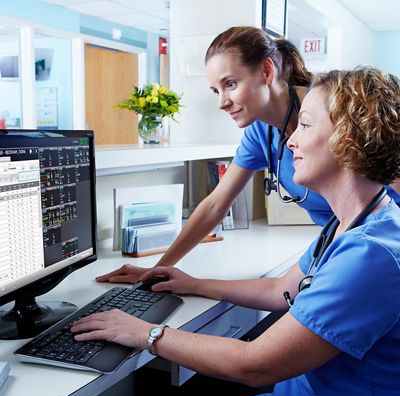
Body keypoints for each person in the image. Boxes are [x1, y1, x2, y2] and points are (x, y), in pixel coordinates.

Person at [72, 67, 400, 396]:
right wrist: (192, 283)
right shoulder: (349, 222)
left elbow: (256, 365)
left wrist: (146, 333)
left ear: (349, 138)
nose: (291, 141)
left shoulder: (370, 255)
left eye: (305, 124)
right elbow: (279, 290)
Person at [96, 26, 400, 285]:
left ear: (266, 71)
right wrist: (159, 268)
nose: (222, 102)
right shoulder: (260, 133)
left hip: (378, 252)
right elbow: (216, 203)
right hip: (337, 248)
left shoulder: (331, 109)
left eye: (230, 84)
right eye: (216, 90)